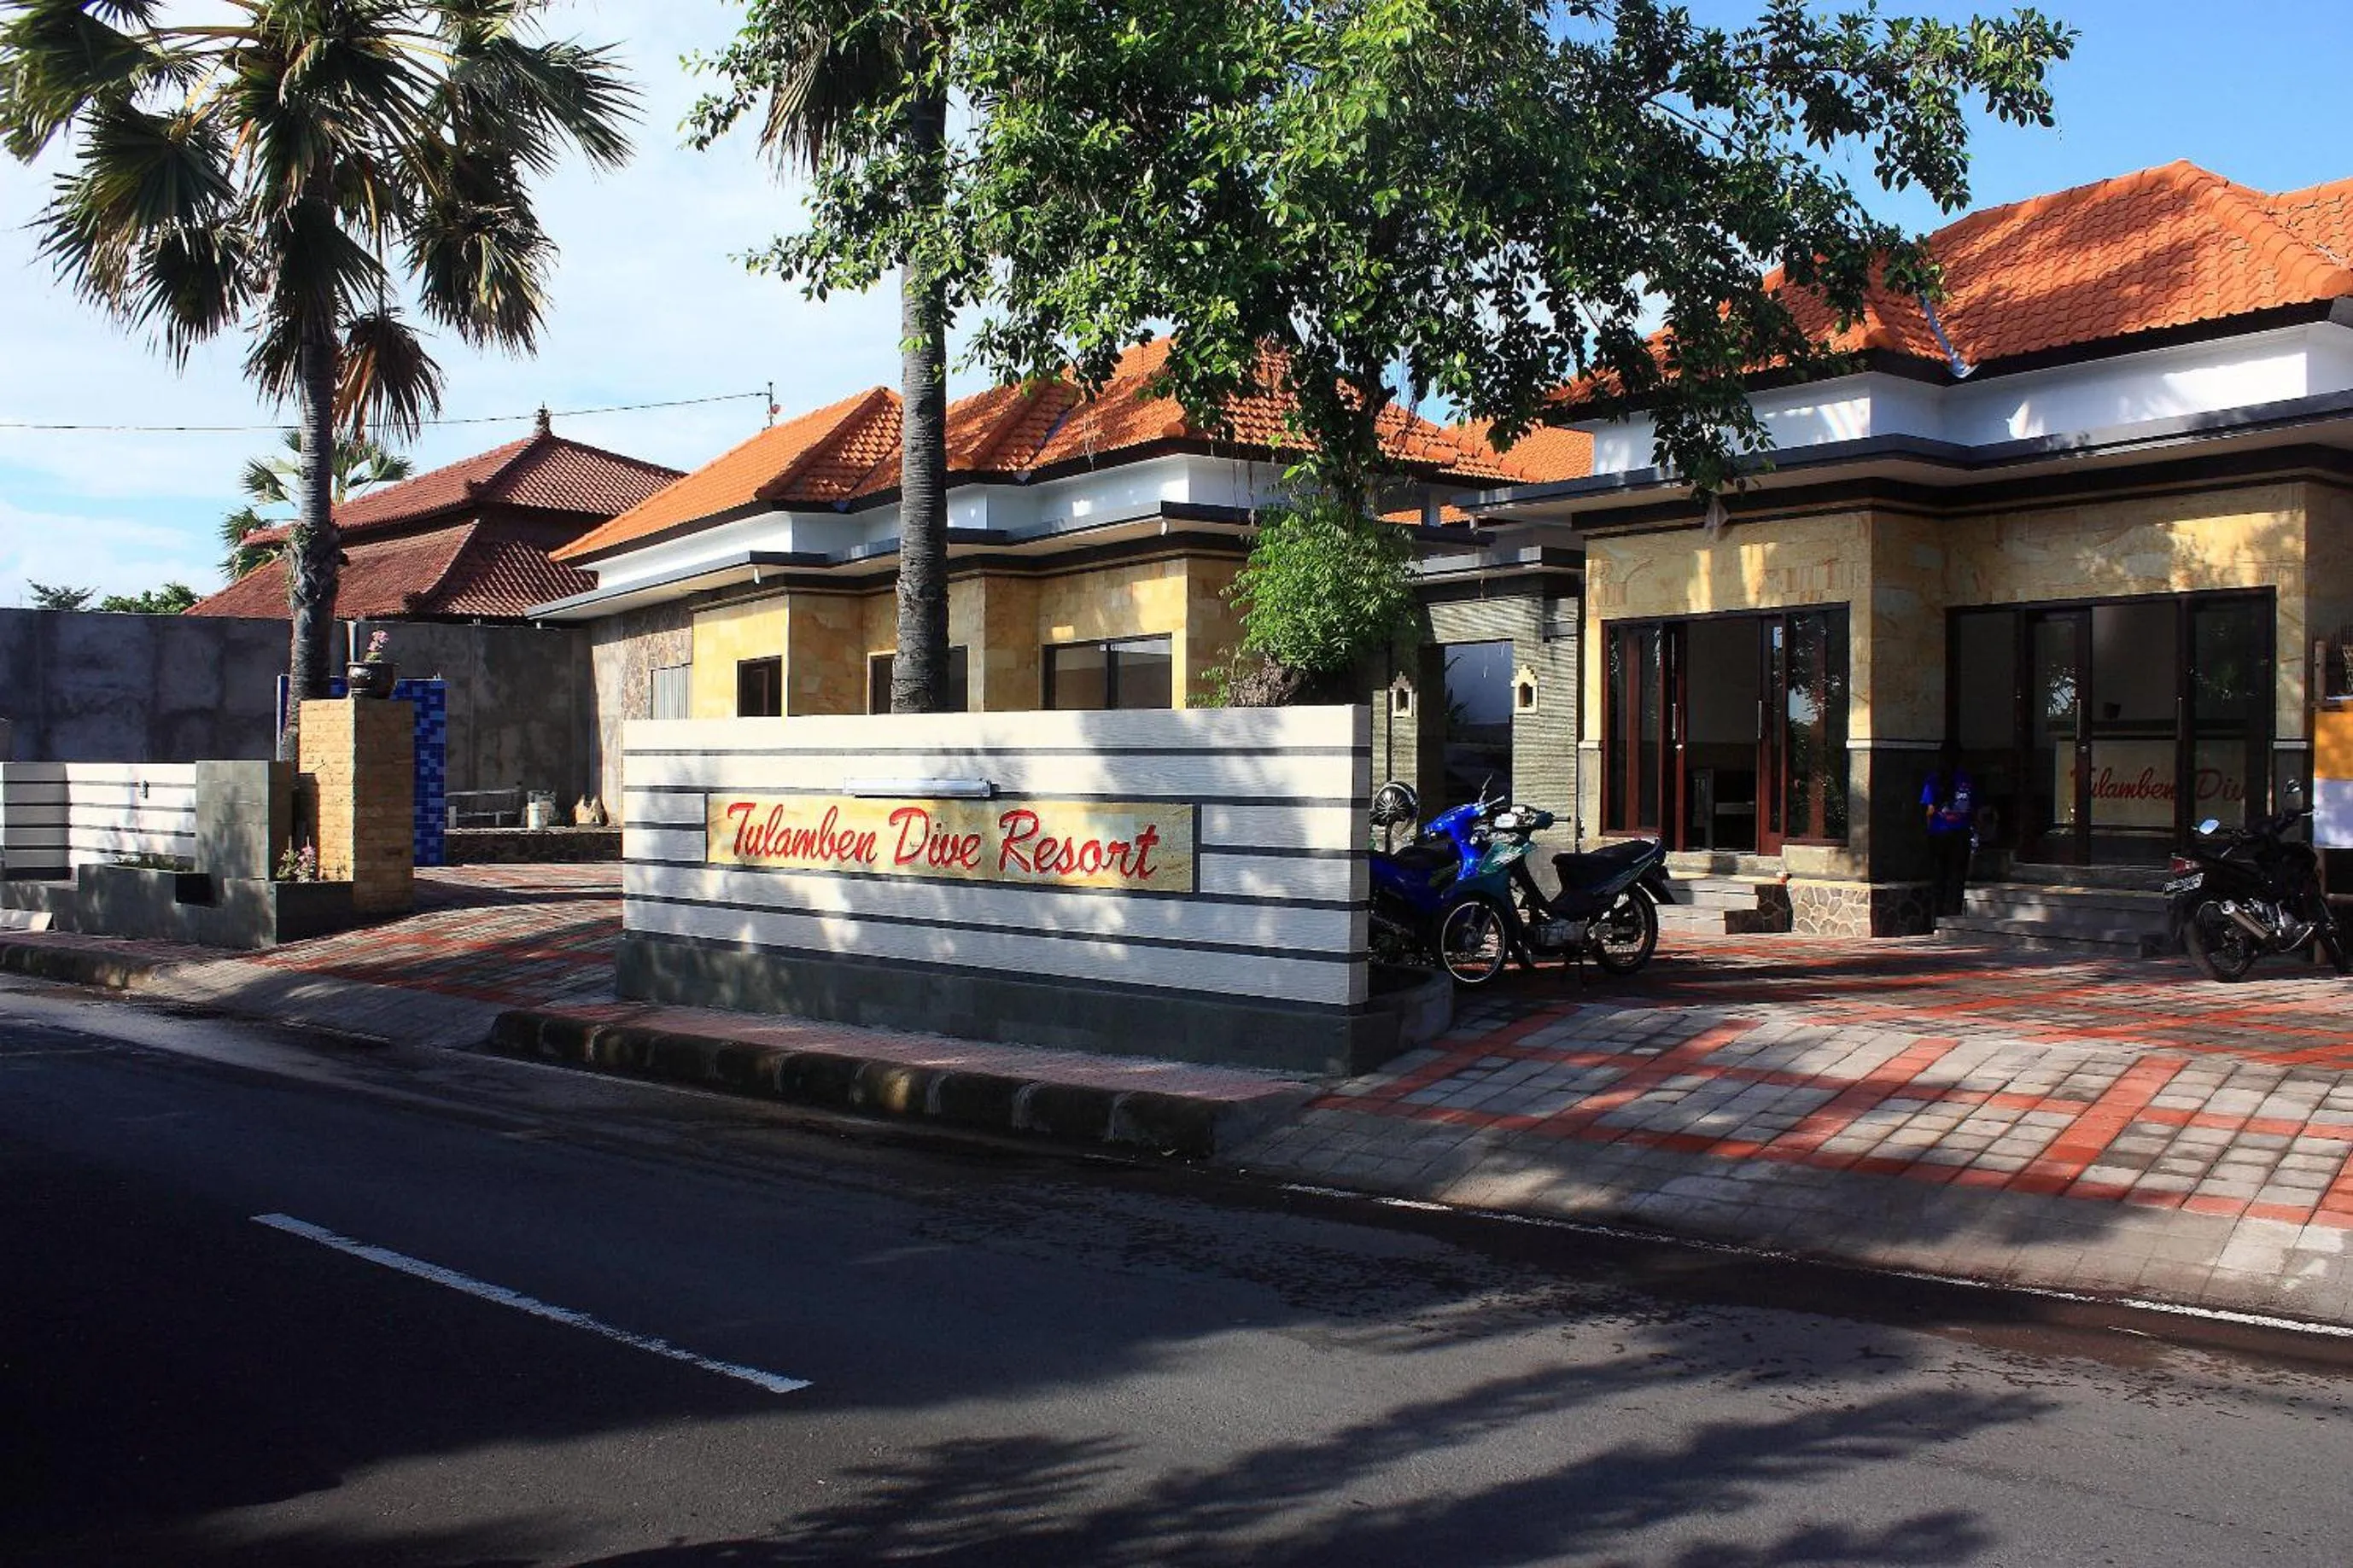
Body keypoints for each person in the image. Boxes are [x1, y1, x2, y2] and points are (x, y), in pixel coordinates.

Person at [1923, 749, 1976, 918]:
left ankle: (1936, 914)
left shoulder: (1933, 779)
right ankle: (1954, 912)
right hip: (1960, 832)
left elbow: (1929, 810)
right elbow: (1973, 806)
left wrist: (1930, 829)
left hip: (1939, 833)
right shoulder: (1966, 779)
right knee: (1957, 875)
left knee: (1939, 876)